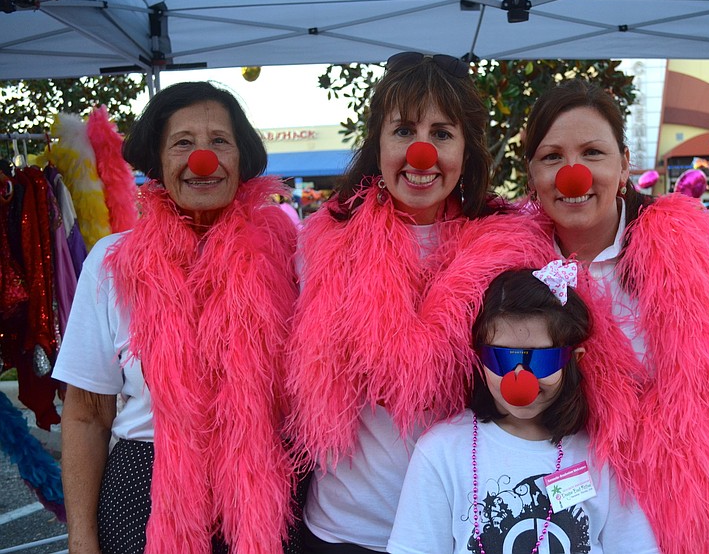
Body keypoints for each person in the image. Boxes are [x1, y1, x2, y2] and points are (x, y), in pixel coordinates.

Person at [284, 52, 561, 553]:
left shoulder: (513, 251)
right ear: (378, 143)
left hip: (462, 523)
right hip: (344, 527)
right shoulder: (321, 242)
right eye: (404, 130)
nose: (421, 154)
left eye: (442, 133)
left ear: (466, 150)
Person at [523, 81, 709, 554]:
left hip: (679, 526)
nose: (572, 175)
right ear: (531, 171)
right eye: (552, 157)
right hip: (560, 527)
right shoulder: (510, 269)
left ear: (624, 163)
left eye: (593, 152)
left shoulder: (692, 257)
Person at [53, 82, 300, 554]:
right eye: (182, 143)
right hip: (144, 493)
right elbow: (87, 415)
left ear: (242, 158)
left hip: (264, 489)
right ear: (158, 162)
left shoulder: (291, 255)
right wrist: (81, 540)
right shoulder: (111, 262)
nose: (201, 159)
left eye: (218, 142)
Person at [388, 262, 660, 554]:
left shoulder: (601, 454)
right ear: (479, 360)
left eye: (539, 360)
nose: (519, 379)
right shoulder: (442, 452)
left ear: (574, 360)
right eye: (502, 359)